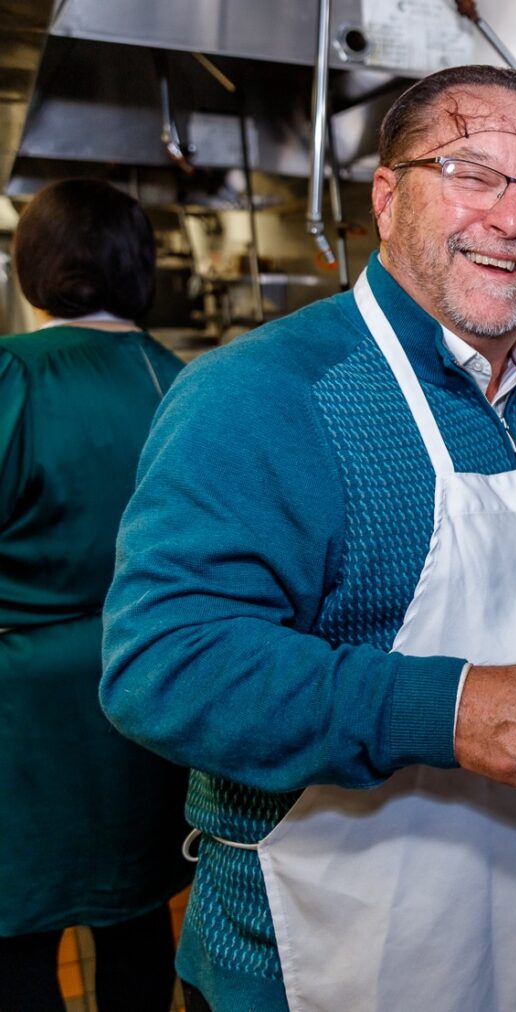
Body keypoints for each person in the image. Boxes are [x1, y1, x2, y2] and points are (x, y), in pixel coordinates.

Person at [100, 65, 516, 1012]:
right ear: (387, 198)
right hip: (333, 956)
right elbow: (165, 665)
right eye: (472, 174)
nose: (512, 220)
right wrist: (446, 706)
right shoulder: (264, 395)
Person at [0, 179, 190, 1010]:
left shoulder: (16, 374)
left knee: (16, 938)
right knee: (138, 920)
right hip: (145, 690)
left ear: (31, 265)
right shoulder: (186, 383)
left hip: (23, 714)